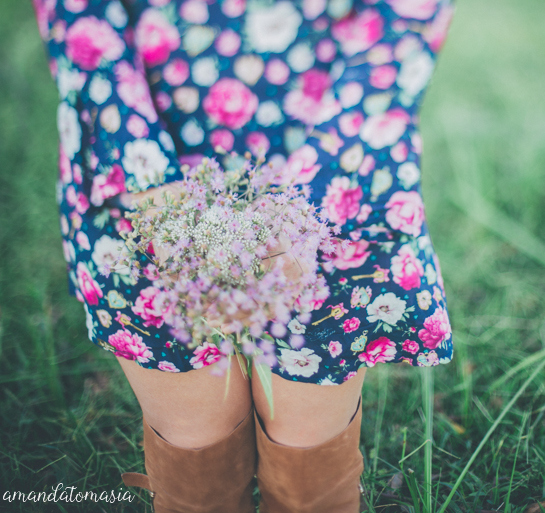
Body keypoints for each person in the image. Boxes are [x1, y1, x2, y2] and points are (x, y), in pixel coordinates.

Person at [33, 0, 455, 511]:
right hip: (145, 168)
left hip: (336, 162)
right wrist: (152, 191)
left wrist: (311, 199)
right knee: (194, 450)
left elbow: (404, 20)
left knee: (309, 453)